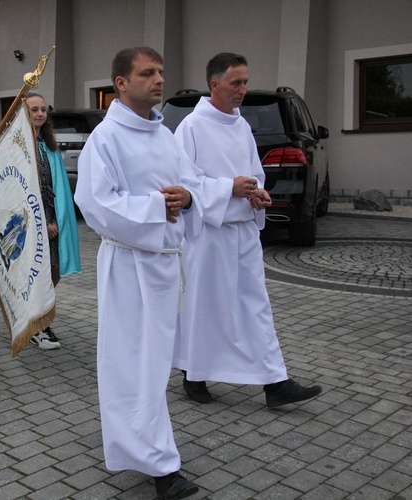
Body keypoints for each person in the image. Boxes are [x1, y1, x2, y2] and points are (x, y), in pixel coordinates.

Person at [73, 46, 199, 500]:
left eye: (161, 72)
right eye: (148, 73)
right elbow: (93, 202)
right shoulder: (104, 139)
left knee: (153, 365)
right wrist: (154, 206)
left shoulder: (165, 135)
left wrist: (187, 198)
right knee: (131, 364)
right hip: (127, 265)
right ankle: (157, 462)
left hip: (165, 265)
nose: (159, 80)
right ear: (120, 84)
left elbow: (190, 184)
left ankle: (150, 447)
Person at [172, 52, 323, 408]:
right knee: (205, 305)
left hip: (243, 232)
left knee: (256, 306)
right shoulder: (191, 128)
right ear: (214, 85)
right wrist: (228, 189)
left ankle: (275, 382)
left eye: (245, 81)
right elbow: (182, 183)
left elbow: (253, 171)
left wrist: (258, 193)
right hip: (209, 235)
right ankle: (193, 374)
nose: (243, 89)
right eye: (236, 82)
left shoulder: (240, 125)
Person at [24, 92, 81, 350]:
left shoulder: (48, 144)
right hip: (33, 219)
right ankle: (38, 325)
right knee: (39, 272)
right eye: (33, 110)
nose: (39, 114)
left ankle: (37, 318)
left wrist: (56, 218)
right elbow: (21, 189)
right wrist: (40, 223)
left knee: (53, 272)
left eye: (43, 110)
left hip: (52, 215)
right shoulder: (18, 146)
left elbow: (54, 184)